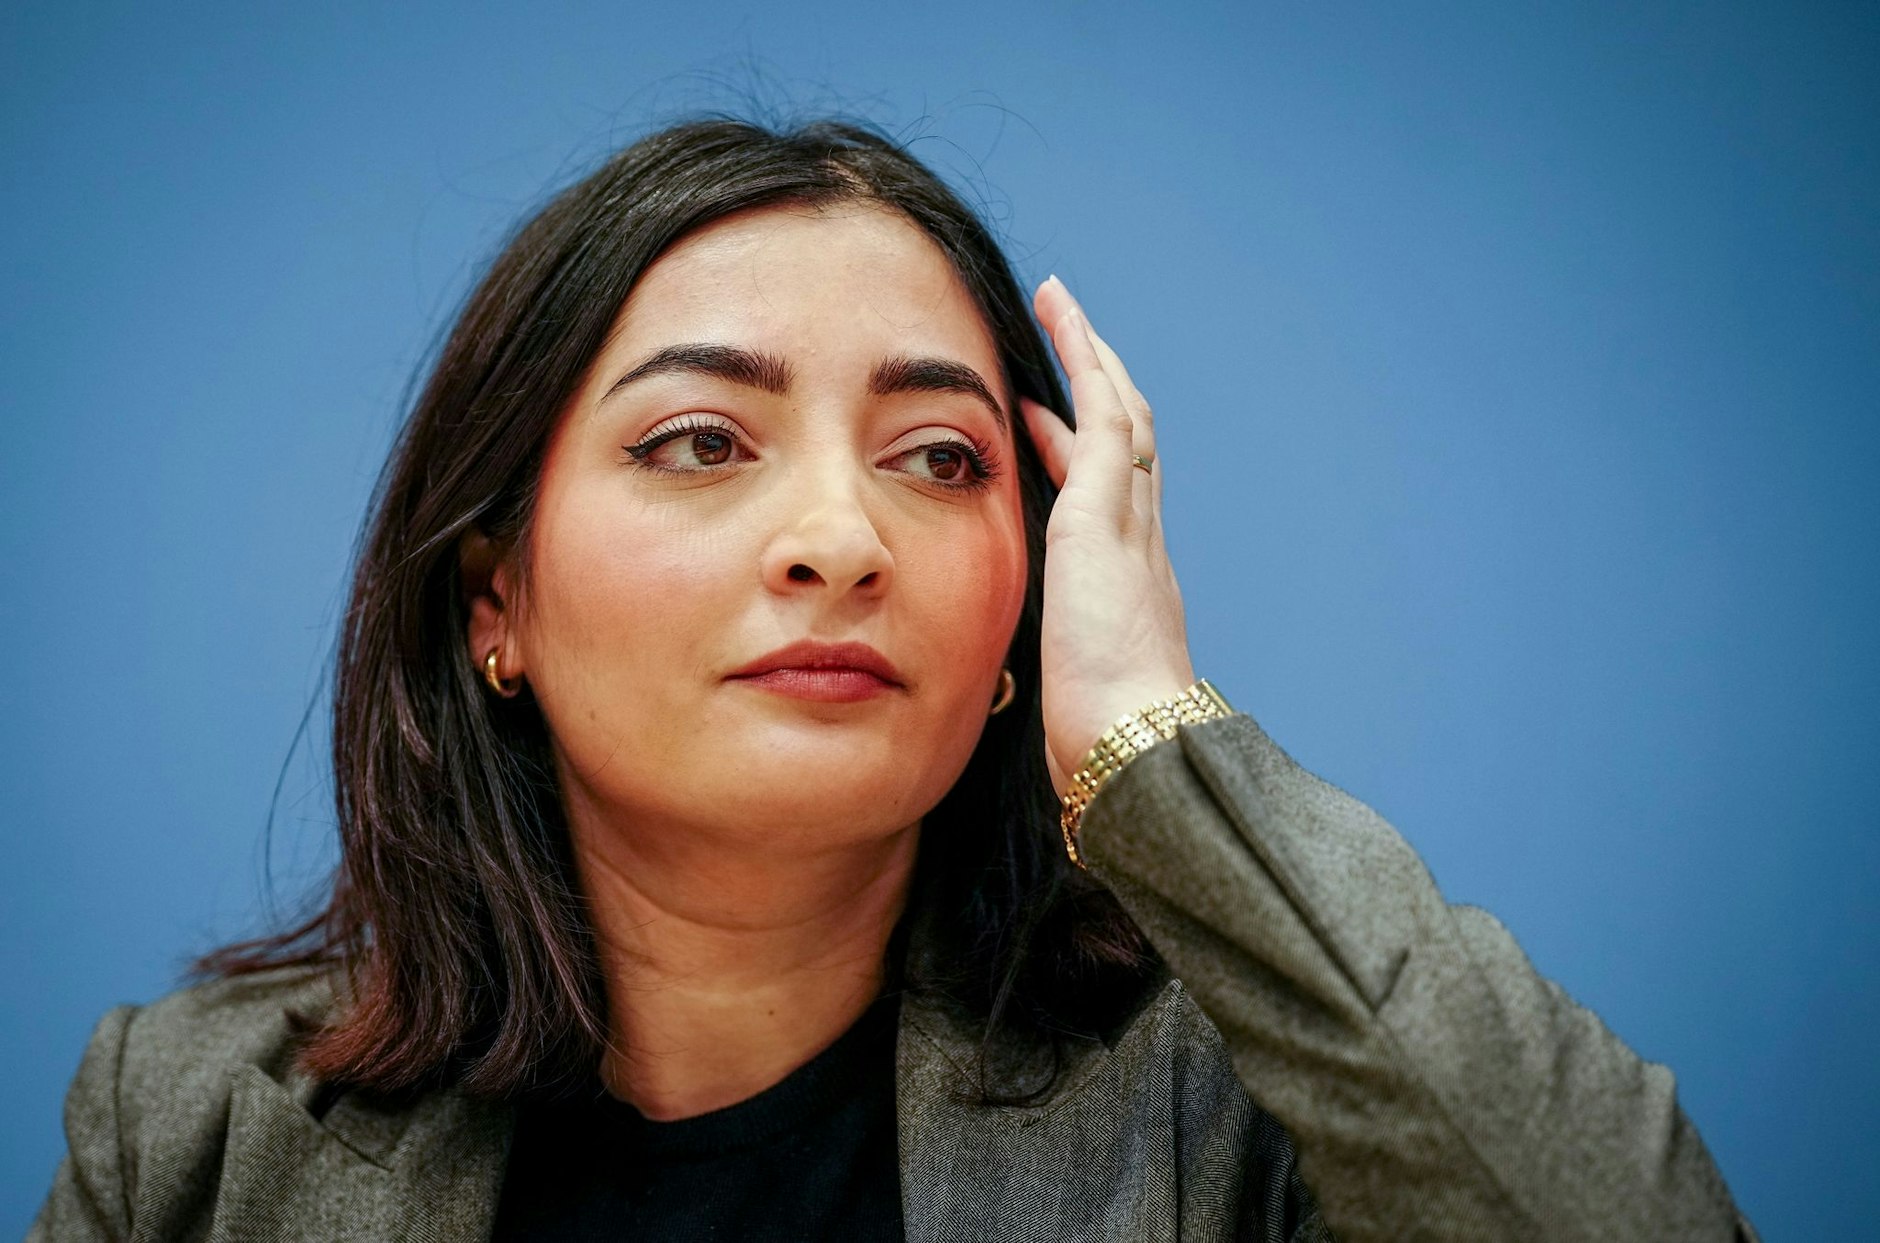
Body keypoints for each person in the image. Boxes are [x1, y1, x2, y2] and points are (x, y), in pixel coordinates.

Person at [31, 117, 1757, 1242]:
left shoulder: (1243, 1097)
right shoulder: (194, 1137)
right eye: (702, 441)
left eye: (939, 459)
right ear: (498, 600)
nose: (841, 540)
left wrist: (1148, 736)